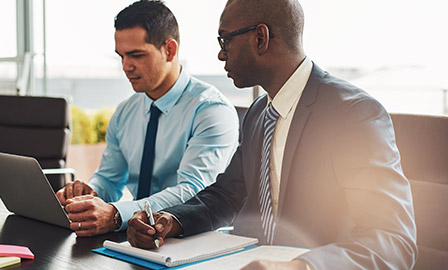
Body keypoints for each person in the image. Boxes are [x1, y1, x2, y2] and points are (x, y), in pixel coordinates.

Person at [126, 0, 418, 269]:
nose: (220, 53)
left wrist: (301, 267)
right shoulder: (258, 113)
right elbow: (228, 193)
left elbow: (393, 241)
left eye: (225, 39)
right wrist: (172, 220)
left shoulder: (352, 115)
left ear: (260, 38)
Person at [55, 0, 239, 237]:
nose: (126, 66)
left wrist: (115, 215)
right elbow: (110, 179)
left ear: (169, 51)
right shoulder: (125, 112)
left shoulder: (211, 110)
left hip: (195, 237)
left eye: (136, 55)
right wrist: (90, 193)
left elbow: (193, 191)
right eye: (121, 56)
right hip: (137, 236)